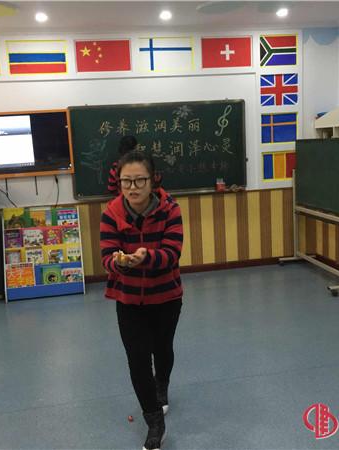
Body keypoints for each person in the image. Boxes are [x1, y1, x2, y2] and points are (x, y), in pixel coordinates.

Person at [100, 151, 183, 450]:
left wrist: (146, 257)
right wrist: (119, 262)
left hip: (166, 296)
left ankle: (162, 386)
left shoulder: (170, 209)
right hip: (129, 299)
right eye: (126, 181)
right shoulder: (111, 213)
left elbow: (172, 253)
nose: (132, 187)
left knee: (162, 349)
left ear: (153, 180)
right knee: (137, 360)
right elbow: (107, 257)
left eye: (139, 181)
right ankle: (154, 422)